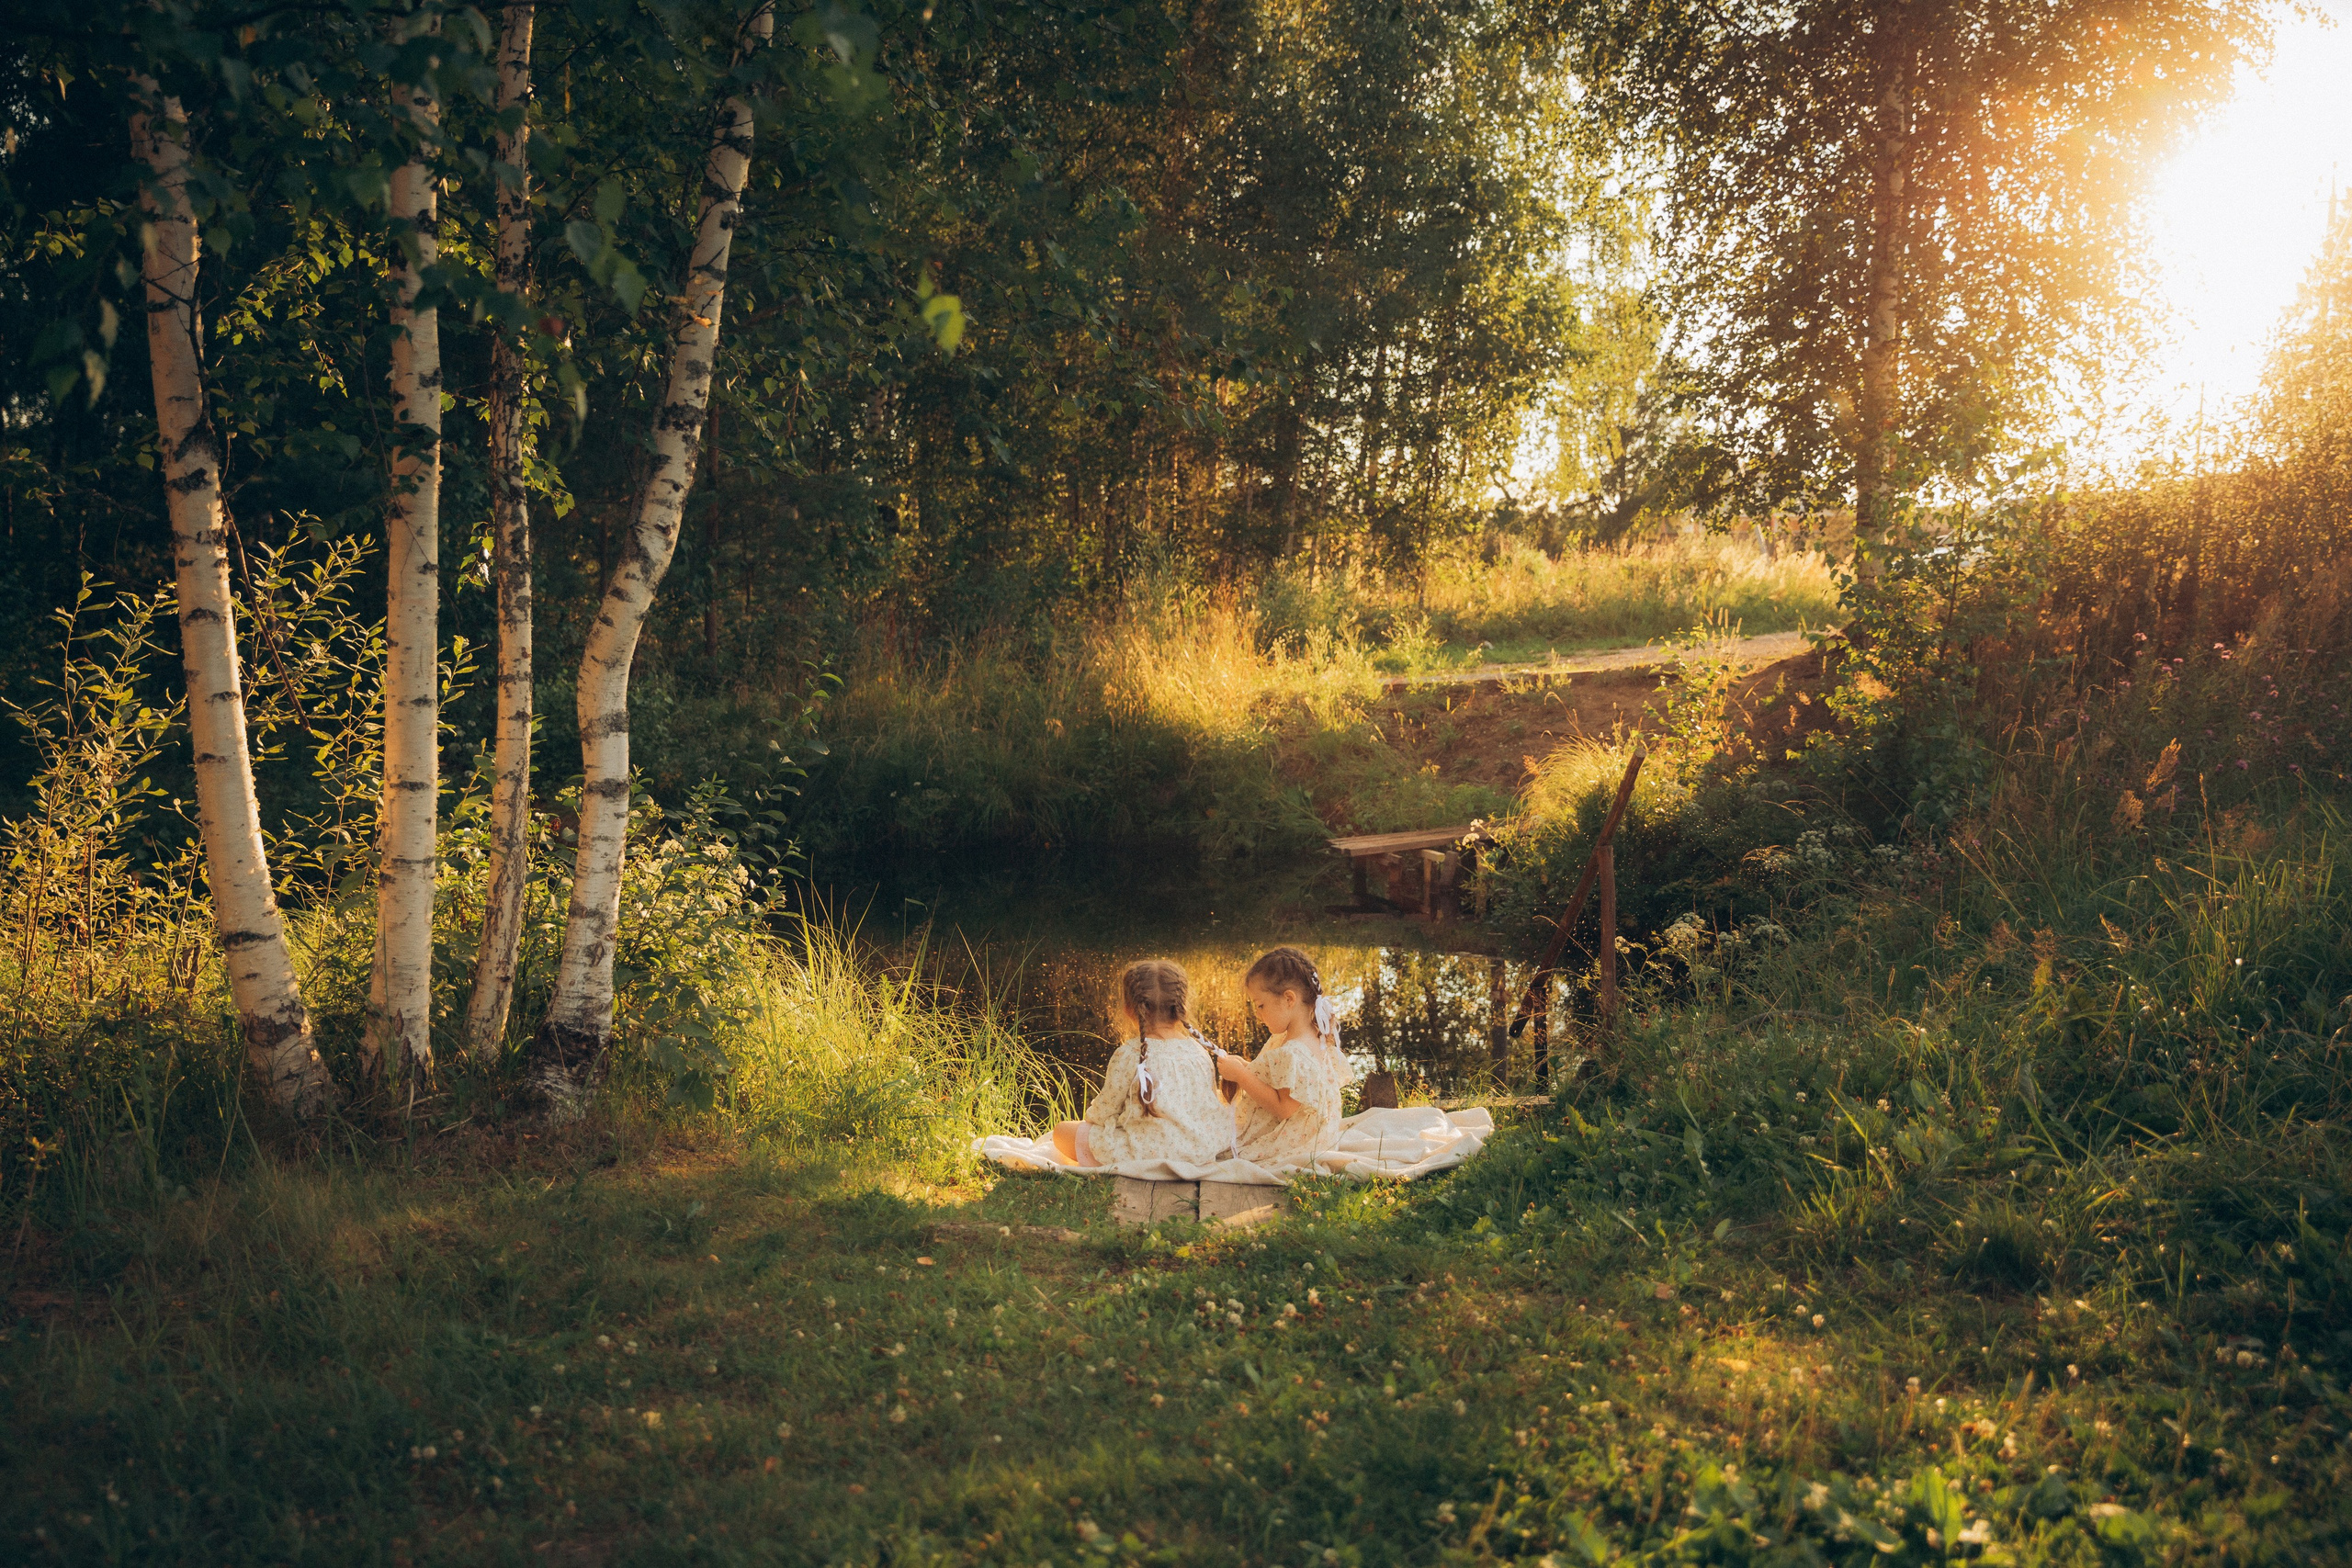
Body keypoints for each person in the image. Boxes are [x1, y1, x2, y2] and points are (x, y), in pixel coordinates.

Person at [1051, 959, 1231, 1168]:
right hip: (1199, 1150)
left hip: (1145, 1153)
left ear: (1129, 1008)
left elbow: (1103, 1112)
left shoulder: (1129, 1054)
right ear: (1181, 1007)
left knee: (1061, 1132)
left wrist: (1096, 1124)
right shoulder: (1199, 1051)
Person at [1217, 946, 1345, 1168]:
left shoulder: (1294, 1051)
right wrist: (1247, 1067)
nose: (1258, 1014)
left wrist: (1241, 1077)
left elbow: (1284, 1107)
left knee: (1220, 1148)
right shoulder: (1314, 1034)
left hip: (1296, 1140)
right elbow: (1282, 1080)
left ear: (1288, 999)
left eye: (1261, 1005)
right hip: (1318, 1135)